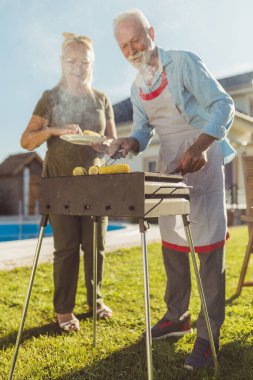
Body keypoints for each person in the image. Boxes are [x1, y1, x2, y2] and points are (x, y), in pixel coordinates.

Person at [110, 9, 236, 369]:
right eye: (124, 46)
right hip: (170, 167)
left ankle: (208, 335)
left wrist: (199, 147)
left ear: (150, 32)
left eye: (136, 39)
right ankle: (176, 316)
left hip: (203, 160)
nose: (132, 49)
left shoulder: (182, 63)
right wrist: (128, 145)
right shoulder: (137, 88)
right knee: (173, 247)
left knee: (209, 249)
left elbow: (223, 104)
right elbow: (141, 131)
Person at [20, 32, 116, 332]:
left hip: (95, 182)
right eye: (71, 61)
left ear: (92, 63)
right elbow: (26, 141)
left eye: (84, 61)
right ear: (62, 62)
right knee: (66, 248)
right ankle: (64, 310)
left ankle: (95, 301)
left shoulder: (101, 99)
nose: (78, 67)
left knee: (95, 245)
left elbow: (111, 140)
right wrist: (54, 130)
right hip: (60, 184)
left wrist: (106, 145)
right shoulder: (50, 97)